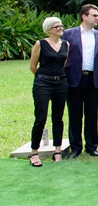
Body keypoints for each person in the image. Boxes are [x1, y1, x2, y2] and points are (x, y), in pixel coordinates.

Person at [62, 4, 98, 158]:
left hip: (93, 80)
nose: (97, 18)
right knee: (74, 114)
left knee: (92, 114)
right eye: (94, 15)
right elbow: (63, 57)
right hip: (74, 79)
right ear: (84, 16)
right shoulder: (68, 34)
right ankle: (75, 147)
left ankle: (91, 146)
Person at [28, 17, 69, 166]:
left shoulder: (66, 44)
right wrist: (43, 78)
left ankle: (57, 150)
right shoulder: (40, 44)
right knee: (41, 117)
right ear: (49, 30)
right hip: (43, 83)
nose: (60, 28)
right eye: (56, 27)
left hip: (61, 83)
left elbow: (63, 64)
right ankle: (34, 153)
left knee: (58, 118)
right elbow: (33, 66)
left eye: (61, 26)